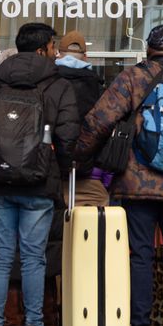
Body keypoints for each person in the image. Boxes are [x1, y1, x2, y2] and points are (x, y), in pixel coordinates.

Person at [76, 24, 163, 326]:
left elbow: (98, 121)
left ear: (148, 49)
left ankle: (139, 321)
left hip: (138, 183)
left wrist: (78, 158)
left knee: (140, 253)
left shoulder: (133, 78)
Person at [0, 23, 78, 326]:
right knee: (34, 259)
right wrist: (62, 169)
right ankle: (34, 322)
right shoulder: (59, 87)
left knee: (0, 258)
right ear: (43, 49)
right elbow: (69, 139)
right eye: (54, 46)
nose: (57, 52)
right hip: (40, 184)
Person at [54, 30, 108, 207]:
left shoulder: (49, 83)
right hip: (91, 175)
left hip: (53, 173)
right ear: (86, 56)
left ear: (58, 54)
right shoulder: (98, 87)